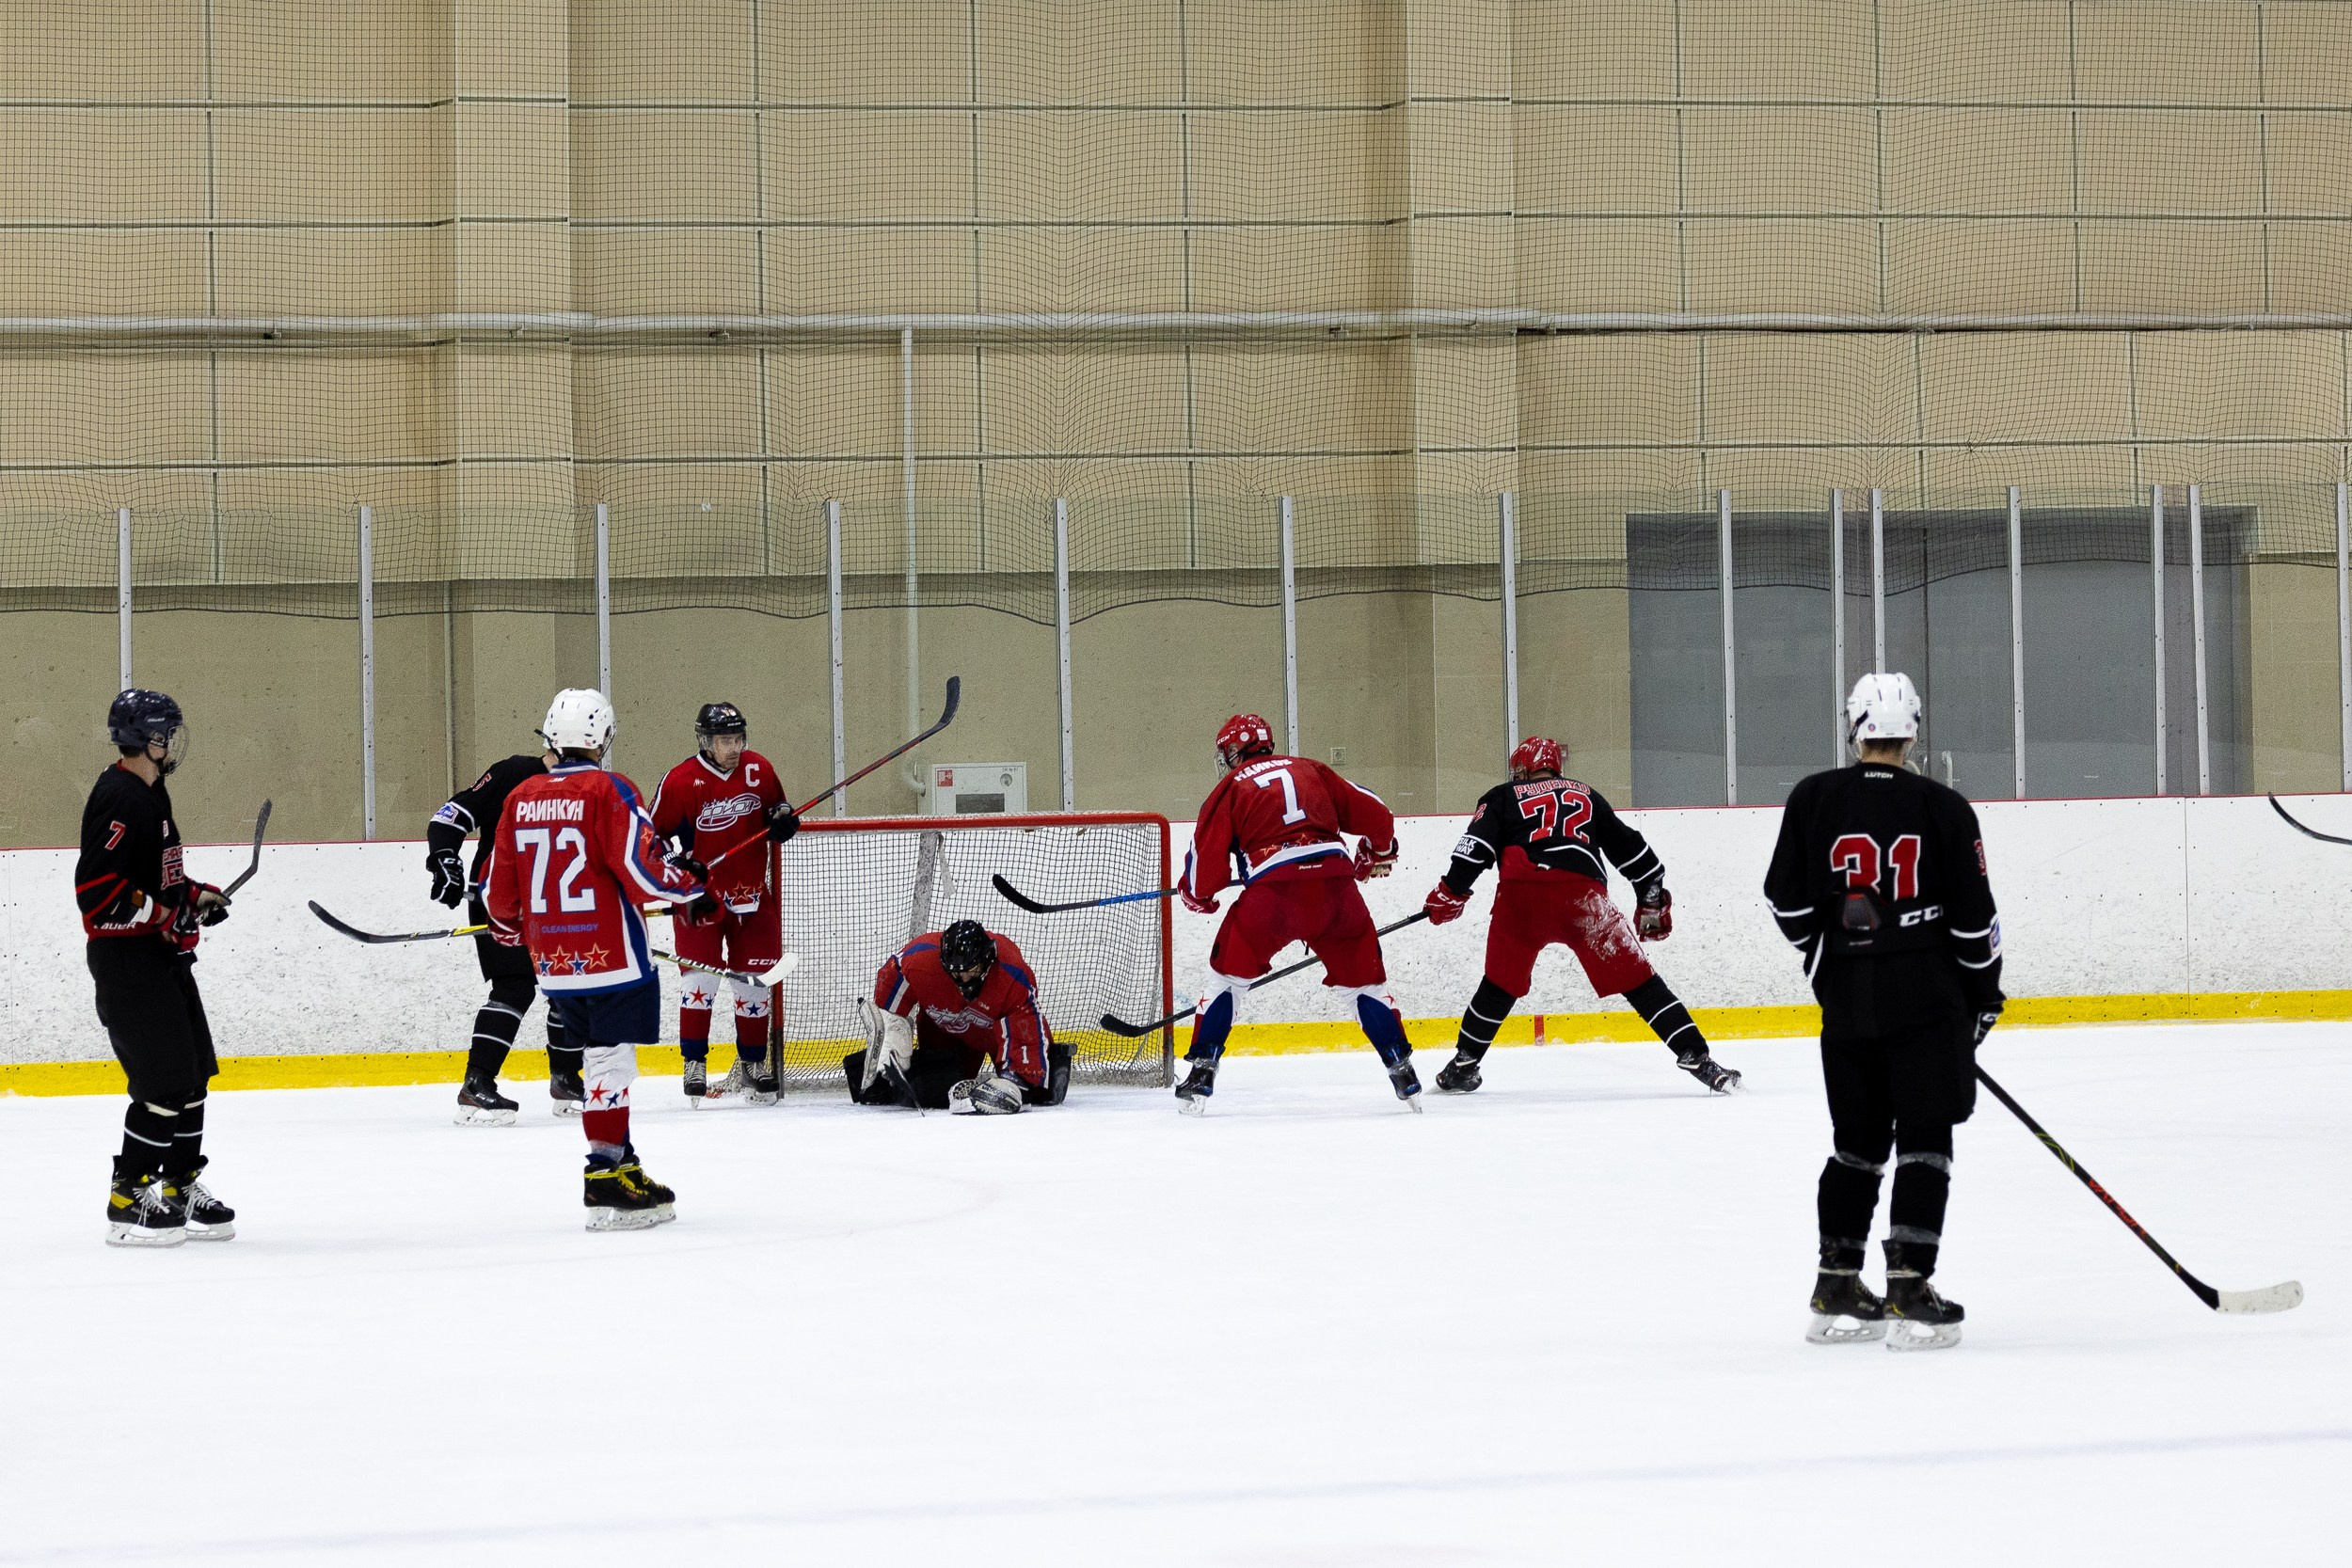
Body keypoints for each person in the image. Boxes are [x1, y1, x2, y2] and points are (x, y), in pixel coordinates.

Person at [1765, 673, 2004, 1351]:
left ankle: (1837, 1281)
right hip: (1927, 997)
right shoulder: (1945, 807)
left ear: (1854, 727)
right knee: (1925, 1138)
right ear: (1913, 729)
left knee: (1857, 1141)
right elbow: (1973, 922)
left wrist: (1827, 964)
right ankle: (1908, 1283)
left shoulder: (1813, 797)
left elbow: (1785, 899)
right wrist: (1983, 996)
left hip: (1848, 1001)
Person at [484, 689, 712, 1230]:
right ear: (604, 737)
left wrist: (511, 930)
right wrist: (690, 889)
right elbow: (641, 869)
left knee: (601, 1059)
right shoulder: (609, 789)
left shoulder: (520, 797)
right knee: (611, 1064)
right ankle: (604, 1176)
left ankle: (623, 1165)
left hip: (554, 964)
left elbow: (497, 891)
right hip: (613, 957)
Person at [1421, 736, 1740, 1094]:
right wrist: (1651, 900)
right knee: (1641, 984)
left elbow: (1475, 849)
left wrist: (1451, 891)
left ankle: (1463, 1064)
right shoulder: (1586, 795)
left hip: (1521, 899)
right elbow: (1634, 851)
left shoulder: (1501, 796)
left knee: (1498, 985)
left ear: (1525, 768)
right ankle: (1697, 1056)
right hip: (1583, 899)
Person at [1173, 713, 1410, 1114]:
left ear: (1234, 753)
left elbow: (1205, 866)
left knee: (1227, 981)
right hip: (1337, 892)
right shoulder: (1311, 769)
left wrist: (1197, 895)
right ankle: (1402, 1069)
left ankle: (1201, 1073)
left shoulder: (1231, 786)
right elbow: (1377, 814)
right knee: (1364, 987)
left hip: (1272, 898)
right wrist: (1379, 851)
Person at [75, 689, 238, 1246]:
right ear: (146, 738)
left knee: (192, 1076)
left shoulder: (152, 791)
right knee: (162, 1082)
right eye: (165, 733)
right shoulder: (120, 797)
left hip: (161, 958)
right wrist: (167, 914)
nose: (172, 742)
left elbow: (152, 877)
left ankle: (177, 1184)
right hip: (127, 963)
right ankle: (127, 1199)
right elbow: (98, 893)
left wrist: (193, 896)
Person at [649, 703, 800, 1105]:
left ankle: (752, 1062)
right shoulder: (680, 781)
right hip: (700, 900)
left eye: (737, 739)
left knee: (754, 982)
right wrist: (679, 863)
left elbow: (778, 809)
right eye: (724, 740)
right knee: (699, 982)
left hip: (752, 895)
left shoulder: (759, 769)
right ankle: (694, 1062)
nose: (734, 748)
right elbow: (651, 838)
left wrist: (783, 820)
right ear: (705, 742)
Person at [427, 744, 583, 1125]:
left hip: (552, 905)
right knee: (515, 987)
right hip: (499, 899)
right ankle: (477, 1082)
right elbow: (449, 818)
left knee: (569, 985)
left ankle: (566, 1078)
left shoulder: (586, 785)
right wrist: (445, 859)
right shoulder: (512, 773)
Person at [848, 919, 1068, 1114]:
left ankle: (1050, 1067)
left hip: (996, 1037)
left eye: (970, 971)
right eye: (955, 973)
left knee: (1038, 1092)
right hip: (948, 1031)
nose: (963, 980)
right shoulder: (920, 959)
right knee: (932, 1091)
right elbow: (892, 980)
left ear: (987, 959)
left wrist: (1016, 1080)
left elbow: (1025, 1030)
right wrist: (891, 1030)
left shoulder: (1012, 973)